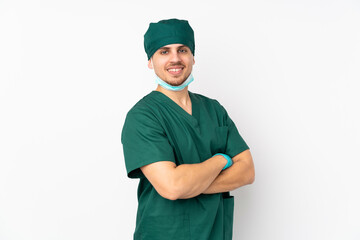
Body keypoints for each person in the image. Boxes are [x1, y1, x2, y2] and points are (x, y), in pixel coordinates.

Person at [121, 18, 255, 240]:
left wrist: (191, 185)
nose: (175, 58)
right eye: (164, 51)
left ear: (192, 57)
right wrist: (222, 159)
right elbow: (173, 187)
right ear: (150, 61)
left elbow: (247, 171)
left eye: (182, 50)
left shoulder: (214, 109)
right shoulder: (143, 116)